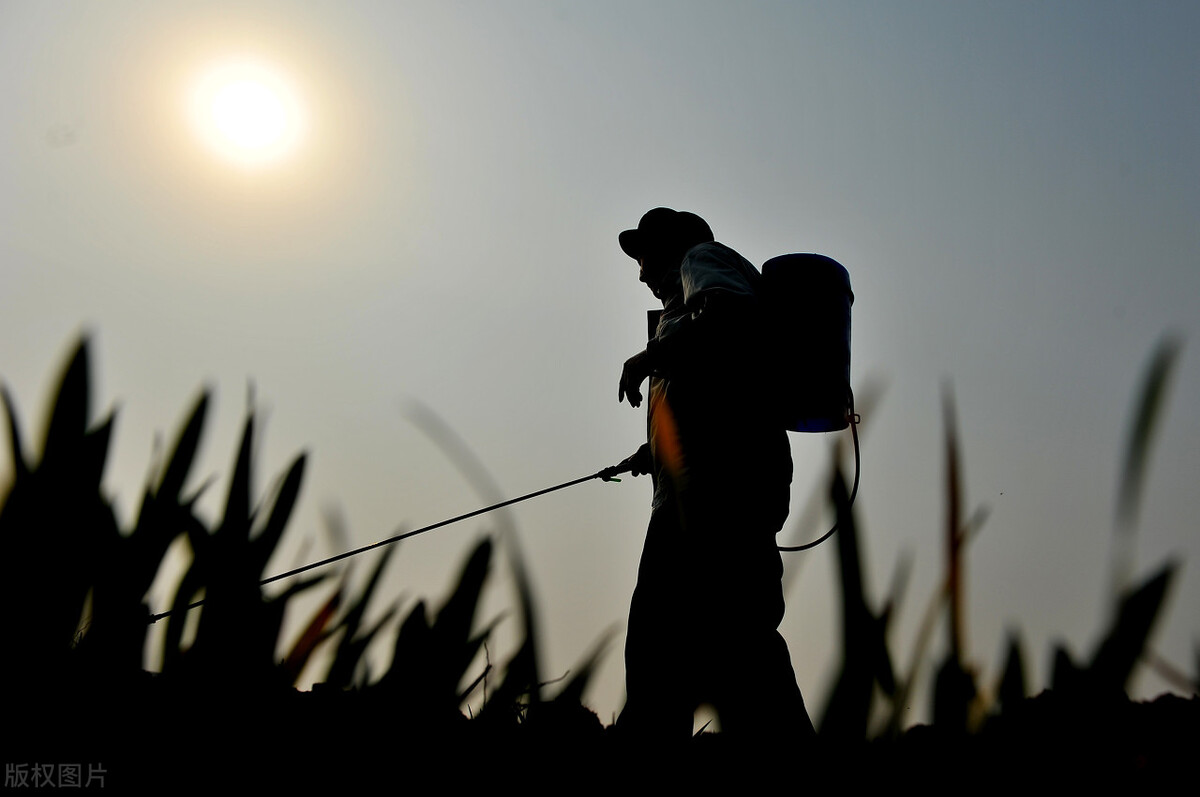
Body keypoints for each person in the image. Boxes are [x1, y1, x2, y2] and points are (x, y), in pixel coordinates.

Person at [602, 207, 816, 743]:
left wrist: (650, 355)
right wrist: (647, 454)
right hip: (711, 490)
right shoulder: (682, 311)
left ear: (674, 246)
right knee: (730, 639)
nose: (640, 271)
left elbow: (727, 313)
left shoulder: (703, 263)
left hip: (714, 497)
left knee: (674, 637)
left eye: (645, 254)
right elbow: (710, 399)